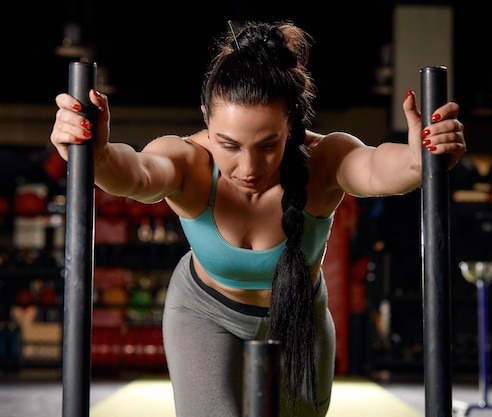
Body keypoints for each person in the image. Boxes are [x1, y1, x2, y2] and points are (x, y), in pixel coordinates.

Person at [50, 20, 466, 417]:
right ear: (206, 118)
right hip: (204, 315)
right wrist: (95, 155)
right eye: (228, 144)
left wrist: (420, 156)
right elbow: (137, 173)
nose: (248, 167)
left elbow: (376, 168)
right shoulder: (188, 162)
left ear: (292, 124)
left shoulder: (323, 160)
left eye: (268, 145)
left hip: (298, 314)